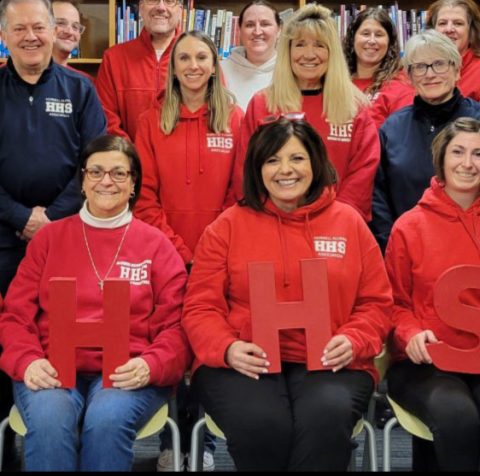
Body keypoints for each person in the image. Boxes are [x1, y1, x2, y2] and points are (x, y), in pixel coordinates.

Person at [182, 117, 392, 471]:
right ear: (257, 168)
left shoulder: (349, 221)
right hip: (246, 359)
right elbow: (200, 306)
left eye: (296, 158)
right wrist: (227, 348)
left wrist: (354, 339)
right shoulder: (227, 226)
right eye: (272, 160)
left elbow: (376, 302)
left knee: (323, 421)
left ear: (315, 162)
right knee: (262, 425)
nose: (285, 170)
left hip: (330, 361)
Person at [0, 134, 192, 471]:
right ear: (83, 181)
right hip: (53, 368)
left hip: (128, 372)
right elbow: (15, 316)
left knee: (106, 419)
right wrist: (28, 361)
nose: (107, 181)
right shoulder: (48, 240)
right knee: (49, 418)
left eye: (119, 173)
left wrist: (151, 364)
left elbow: (177, 326)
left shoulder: (158, 246)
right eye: (96, 172)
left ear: (133, 185)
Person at [0, 0, 106, 445]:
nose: (30, 36)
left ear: (54, 31)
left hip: (66, 240)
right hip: (3, 237)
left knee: (58, 344)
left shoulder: (80, 89)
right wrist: (21, 217)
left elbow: (96, 163)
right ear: (4, 35)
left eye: (38, 27)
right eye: (19, 28)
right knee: (5, 339)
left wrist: (50, 218)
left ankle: (60, 433)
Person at [135, 30, 243, 470]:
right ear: (172, 67)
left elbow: (242, 193)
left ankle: (207, 444)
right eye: (184, 58)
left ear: (214, 65)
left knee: (210, 345)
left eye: (202, 57)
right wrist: (182, 252)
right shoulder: (150, 120)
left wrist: (210, 251)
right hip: (165, 255)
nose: (194, 65)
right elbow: (143, 197)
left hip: (221, 255)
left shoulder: (234, 119)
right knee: (168, 341)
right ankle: (169, 438)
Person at [385, 116, 480, 472]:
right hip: (426, 363)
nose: (468, 163)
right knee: (457, 417)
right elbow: (392, 303)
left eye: (478, 153)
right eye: (458, 151)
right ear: (441, 158)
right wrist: (410, 334)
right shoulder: (409, 227)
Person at [237, 2, 379, 223]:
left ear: (332, 52)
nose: (309, 54)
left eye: (320, 45)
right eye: (300, 44)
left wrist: (332, 220)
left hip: (334, 227)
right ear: (288, 50)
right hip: (272, 222)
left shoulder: (355, 107)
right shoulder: (263, 103)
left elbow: (363, 174)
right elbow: (246, 170)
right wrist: (272, 215)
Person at [371, 29, 480, 253]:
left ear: (457, 70)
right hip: (407, 249)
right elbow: (377, 195)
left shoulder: (477, 119)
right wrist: (392, 244)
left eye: (439, 64)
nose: (430, 74)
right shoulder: (393, 128)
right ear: (409, 77)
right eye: (419, 67)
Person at [96, 0, 183, 142]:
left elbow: (213, 111)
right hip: (130, 163)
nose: (161, 7)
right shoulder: (114, 58)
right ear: (141, 7)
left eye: (169, 0)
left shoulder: (199, 58)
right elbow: (105, 116)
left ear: (180, 10)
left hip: (182, 163)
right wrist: (131, 154)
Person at [344, 7, 415, 129]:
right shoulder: (336, 81)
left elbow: (403, 138)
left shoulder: (401, 87)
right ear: (352, 39)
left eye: (379, 35)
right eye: (365, 34)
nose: (372, 41)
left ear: (389, 43)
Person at [221, 0, 281, 111]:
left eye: (265, 24)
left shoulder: (292, 71)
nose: (257, 32)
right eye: (250, 25)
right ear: (239, 31)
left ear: (278, 30)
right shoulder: (220, 70)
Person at [427, 0, 480, 102]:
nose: (449, 29)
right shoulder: (418, 67)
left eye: (458, 23)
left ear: (471, 31)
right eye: (442, 23)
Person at [49, 0, 94, 83]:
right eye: (61, 23)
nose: (70, 32)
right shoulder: (25, 77)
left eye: (75, 26)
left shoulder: (85, 83)